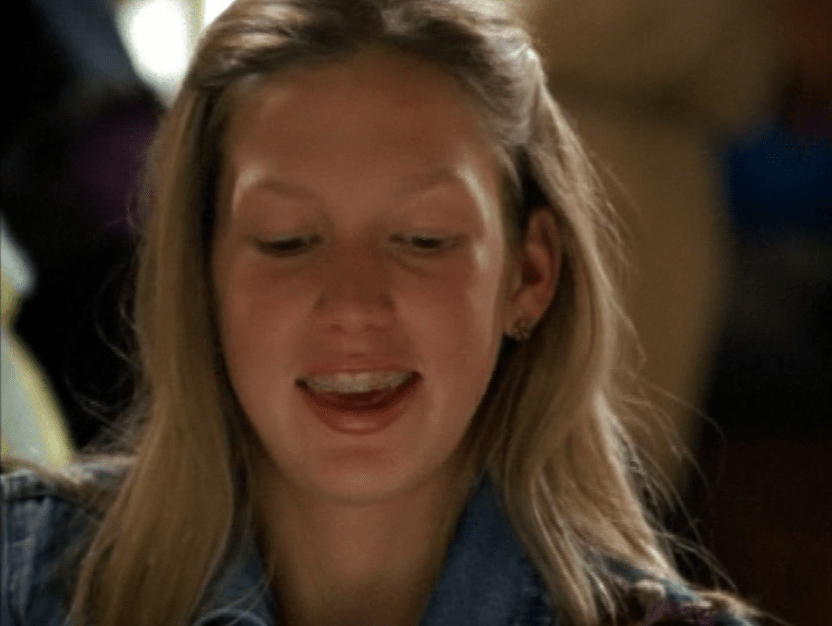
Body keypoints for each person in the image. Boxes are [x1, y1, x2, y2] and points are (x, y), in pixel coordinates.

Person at [0, 1, 761, 625]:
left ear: (529, 274)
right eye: (288, 241)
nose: (354, 305)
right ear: (200, 276)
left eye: (424, 240)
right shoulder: (21, 582)